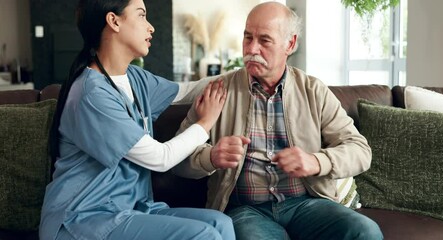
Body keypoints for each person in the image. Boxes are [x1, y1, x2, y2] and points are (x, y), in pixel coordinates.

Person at [173, 2, 383, 240]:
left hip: (307, 204)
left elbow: (360, 151)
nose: (252, 48)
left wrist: (316, 161)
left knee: (365, 231)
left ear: (290, 44)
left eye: (264, 40)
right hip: (246, 209)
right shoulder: (217, 91)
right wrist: (210, 157)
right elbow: (177, 159)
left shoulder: (314, 91)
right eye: (247, 37)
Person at [39, 0, 236, 239]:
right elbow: (161, 158)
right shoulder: (92, 94)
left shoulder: (134, 78)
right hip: (83, 218)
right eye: (141, 15)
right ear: (114, 21)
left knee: (221, 224)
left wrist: (245, 71)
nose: (151, 27)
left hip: (129, 210)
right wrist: (204, 124)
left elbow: (188, 91)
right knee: (204, 235)